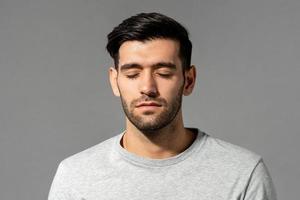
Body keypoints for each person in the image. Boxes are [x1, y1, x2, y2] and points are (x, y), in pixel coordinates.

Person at [48, 12, 277, 200]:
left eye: (164, 73)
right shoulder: (76, 177)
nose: (148, 87)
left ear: (189, 80)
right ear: (114, 82)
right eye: (133, 74)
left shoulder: (243, 173)